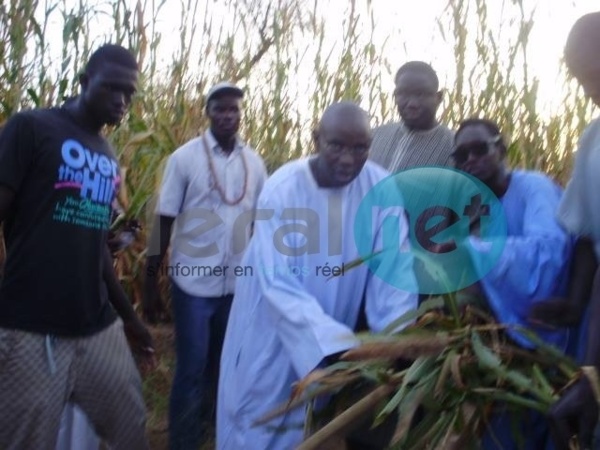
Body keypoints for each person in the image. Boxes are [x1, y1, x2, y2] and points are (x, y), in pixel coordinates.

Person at [216, 101, 419, 450]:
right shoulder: (284, 190)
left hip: (331, 338)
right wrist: (333, 345)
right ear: (316, 139)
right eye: (336, 145)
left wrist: (399, 337)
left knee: (305, 428)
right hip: (271, 333)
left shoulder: (380, 189)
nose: (347, 158)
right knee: (256, 423)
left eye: (360, 148)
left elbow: (393, 269)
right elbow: (277, 282)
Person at [0, 43, 151, 449]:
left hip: (96, 327)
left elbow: (96, 246)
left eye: (129, 93)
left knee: (130, 425)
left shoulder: (105, 152)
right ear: (85, 82)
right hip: (30, 329)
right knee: (27, 440)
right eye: (112, 89)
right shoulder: (30, 128)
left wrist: (129, 319)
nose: (122, 101)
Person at [143, 81, 268, 449]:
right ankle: (183, 440)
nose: (228, 116)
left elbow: (261, 224)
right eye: (220, 109)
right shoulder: (185, 158)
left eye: (234, 109)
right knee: (191, 367)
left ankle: (214, 432)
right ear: (208, 112)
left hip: (237, 286)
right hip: (193, 286)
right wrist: (151, 284)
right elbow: (164, 220)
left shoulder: (254, 162)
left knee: (224, 363)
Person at [440, 118, 574, 449]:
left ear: (501, 149)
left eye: (479, 149)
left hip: (556, 341)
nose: (470, 160)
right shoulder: (479, 210)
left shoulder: (534, 187)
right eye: (461, 156)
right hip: (510, 349)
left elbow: (547, 256)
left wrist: (471, 248)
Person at [527, 11, 600, 450]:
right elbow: (589, 239)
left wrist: (592, 378)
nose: (590, 91)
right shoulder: (594, 139)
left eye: (596, 75)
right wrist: (574, 303)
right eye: (580, 80)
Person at [369, 61, 455, 172]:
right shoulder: (374, 136)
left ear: (438, 98)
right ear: (395, 95)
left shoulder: (454, 148)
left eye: (421, 94)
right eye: (403, 93)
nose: (412, 104)